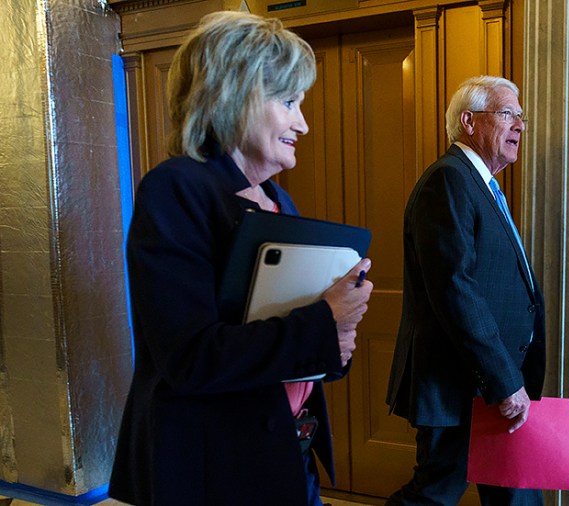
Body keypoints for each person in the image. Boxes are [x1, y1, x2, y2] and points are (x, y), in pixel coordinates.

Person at [108, 11, 373, 506]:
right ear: (235, 93)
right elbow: (190, 358)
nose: (304, 123)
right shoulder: (176, 189)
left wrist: (339, 336)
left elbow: (298, 335)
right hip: (211, 465)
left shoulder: (276, 199)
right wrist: (324, 323)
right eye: (289, 101)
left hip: (283, 449)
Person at [384, 75, 546, 506]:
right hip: (461, 382)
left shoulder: (484, 187)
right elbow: (455, 288)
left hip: (487, 379)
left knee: (514, 491)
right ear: (469, 121)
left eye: (520, 116)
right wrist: (503, 379)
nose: (520, 126)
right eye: (508, 114)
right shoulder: (449, 181)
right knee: (435, 493)